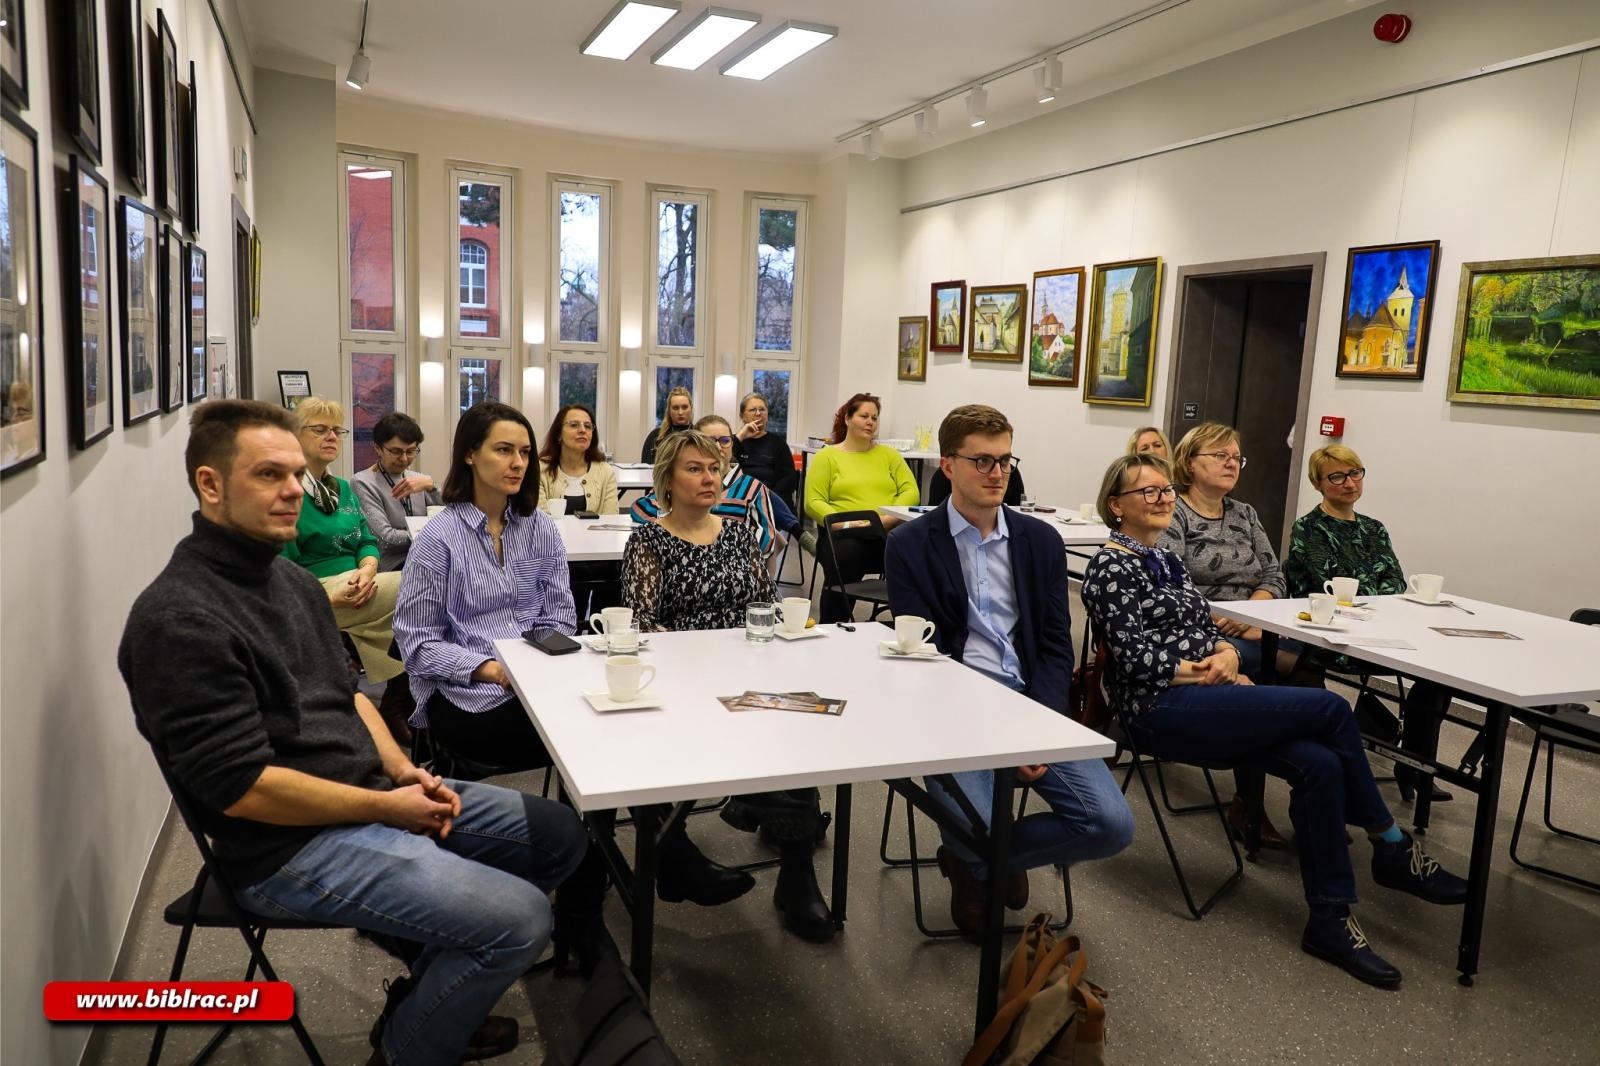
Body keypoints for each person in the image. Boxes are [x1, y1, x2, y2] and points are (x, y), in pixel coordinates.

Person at [118, 400, 587, 1066]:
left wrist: (402, 770)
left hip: (369, 793)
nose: (293, 490)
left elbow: (350, 696)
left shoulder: (290, 581)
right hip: (283, 847)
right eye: (268, 474)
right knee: (522, 919)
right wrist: (387, 808)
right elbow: (245, 791)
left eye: (295, 473)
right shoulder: (180, 617)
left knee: (560, 834)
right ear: (211, 485)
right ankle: (406, 1047)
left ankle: (431, 994)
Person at [1080, 453, 1467, 988]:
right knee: (1331, 708)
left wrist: (1228, 656)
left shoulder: (1165, 560)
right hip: (1157, 709)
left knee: (1319, 765)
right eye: (1149, 492)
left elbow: (1204, 626)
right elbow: (1134, 660)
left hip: (1205, 693)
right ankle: (1391, 844)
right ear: (1115, 505)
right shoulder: (1110, 567)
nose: (1164, 498)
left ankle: (1330, 919)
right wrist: (1208, 673)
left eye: (1166, 489)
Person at [884, 404, 1134, 938]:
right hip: (951, 708)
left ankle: (979, 862)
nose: (997, 473)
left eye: (1005, 461)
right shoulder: (909, 545)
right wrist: (981, 723)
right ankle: (989, 857)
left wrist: (1036, 729)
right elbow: (922, 651)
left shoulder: (1039, 540)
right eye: (982, 461)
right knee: (979, 825)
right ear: (947, 465)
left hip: (1027, 701)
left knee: (1111, 825)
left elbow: (1055, 646)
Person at [621, 429, 836, 942]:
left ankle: (796, 872)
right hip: (682, 682)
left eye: (714, 469)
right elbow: (641, 624)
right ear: (667, 480)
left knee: (799, 724)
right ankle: (694, 842)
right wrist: (705, 659)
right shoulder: (648, 540)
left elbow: (764, 606)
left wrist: (776, 646)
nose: (709, 478)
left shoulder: (739, 534)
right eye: (694, 469)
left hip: (747, 674)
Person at [394, 402, 576, 773]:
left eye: (525, 452)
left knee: (620, 720)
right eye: (504, 450)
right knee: (586, 735)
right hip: (468, 693)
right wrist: (493, 670)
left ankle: (590, 813)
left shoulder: (540, 528)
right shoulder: (438, 540)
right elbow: (418, 646)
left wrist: (535, 664)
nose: (518, 463)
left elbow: (560, 617)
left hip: (538, 680)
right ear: (470, 455)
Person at [1284, 443, 1450, 803]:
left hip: (1379, 630)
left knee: (1438, 675)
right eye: (1337, 477)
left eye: (1355, 474)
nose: (1349, 483)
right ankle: (1344, 765)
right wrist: (1372, 599)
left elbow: (1395, 582)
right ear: (1318, 483)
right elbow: (1328, 584)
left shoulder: (1374, 528)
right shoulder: (1309, 529)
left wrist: (1373, 601)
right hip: (1330, 637)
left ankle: (1415, 763)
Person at [1158, 422, 1298, 846]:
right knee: (1285, 675)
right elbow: (1171, 585)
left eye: (1236, 457)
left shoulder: (1245, 513)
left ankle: (1299, 791)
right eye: (1220, 455)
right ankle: (1262, 800)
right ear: (1189, 462)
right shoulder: (1173, 511)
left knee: (1297, 662)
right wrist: (1230, 619)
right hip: (1204, 629)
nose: (1231, 463)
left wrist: (1254, 613)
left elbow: (1274, 574)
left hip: (1255, 624)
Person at [285, 397, 405, 689]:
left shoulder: (342, 488)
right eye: (320, 430)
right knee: (421, 586)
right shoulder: (287, 492)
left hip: (359, 580)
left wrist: (367, 569)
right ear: (295, 435)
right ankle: (398, 694)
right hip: (317, 592)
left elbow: (367, 541)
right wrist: (326, 599)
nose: (331, 437)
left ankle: (393, 689)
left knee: (419, 606)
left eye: (337, 431)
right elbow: (282, 573)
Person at [804, 393, 920, 622]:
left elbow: (911, 491)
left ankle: (906, 624)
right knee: (846, 558)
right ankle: (834, 625)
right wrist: (847, 523)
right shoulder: (827, 456)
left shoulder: (889, 455)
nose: (870, 422)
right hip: (842, 534)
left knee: (916, 553)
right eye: (864, 416)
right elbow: (813, 502)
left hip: (885, 531)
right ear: (847, 419)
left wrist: (887, 518)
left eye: (874, 418)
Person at [630, 416, 797, 572]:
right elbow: (641, 508)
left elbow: (766, 542)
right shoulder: (683, 488)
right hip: (683, 564)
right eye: (709, 441)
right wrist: (676, 526)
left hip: (734, 570)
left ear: (733, 443)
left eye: (725, 441)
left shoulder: (752, 488)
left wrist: (719, 552)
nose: (718, 447)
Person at [351, 412, 441, 572]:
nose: (404, 459)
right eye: (396, 452)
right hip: (394, 563)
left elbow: (452, 516)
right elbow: (385, 538)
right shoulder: (362, 482)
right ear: (377, 448)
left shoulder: (419, 480)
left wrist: (432, 487)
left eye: (411, 451)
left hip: (428, 556)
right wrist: (434, 534)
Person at [537, 403, 619, 515]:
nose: (582, 430)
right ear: (559, 434)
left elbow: (611, 519)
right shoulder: (540, 470)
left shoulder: (605, 471)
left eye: (588, 426)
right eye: (574, 425)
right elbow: (540, 520)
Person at [732, 391, 798, 505]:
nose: (758, 413)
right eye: (752, 410)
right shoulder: (734, 441)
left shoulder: (778, 443)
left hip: (772, 499)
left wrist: (767, 499)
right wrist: (740, 436)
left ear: (767, 415)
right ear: (742, 416)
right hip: (740, 499)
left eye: (762, 409)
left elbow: (789, 479)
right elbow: (722, 461)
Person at [640, 385, 693, 464]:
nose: (680, 412)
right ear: (669, 411)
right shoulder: (656, 436)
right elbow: (645, 467)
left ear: (691, 408)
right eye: (675, 408)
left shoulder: (698, 435)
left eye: (684, 407)